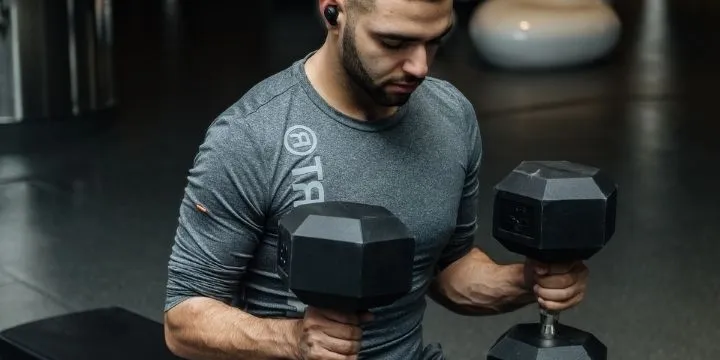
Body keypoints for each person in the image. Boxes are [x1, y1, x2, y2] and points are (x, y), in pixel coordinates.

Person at [162, 0, 590, 359]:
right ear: (333, 11)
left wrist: (528, 280)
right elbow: (183, 318)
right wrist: (293, 339)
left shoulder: (452, 117)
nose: (420, 67)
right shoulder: (252, 135)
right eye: (393, 42)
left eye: (435, 41)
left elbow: (447, 269)